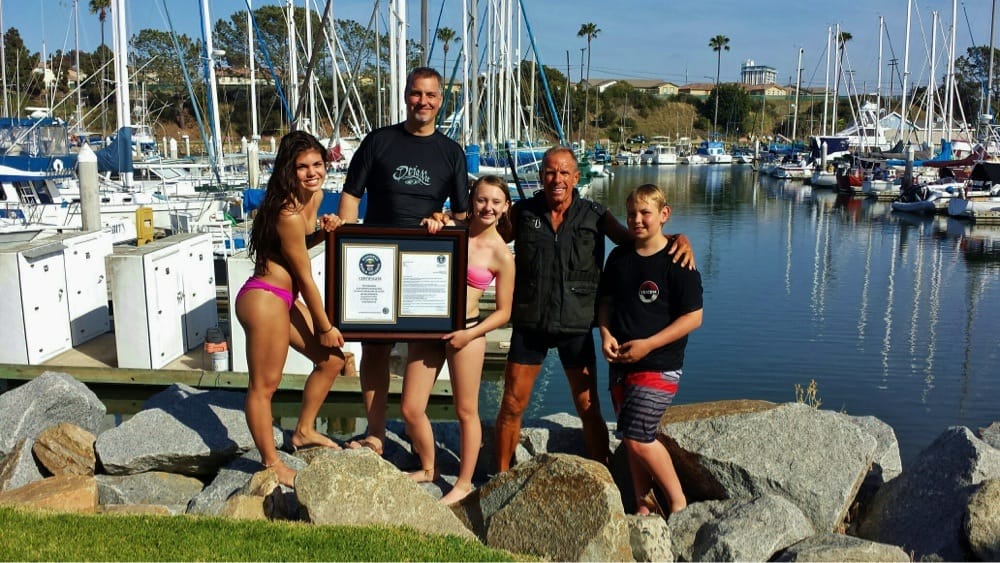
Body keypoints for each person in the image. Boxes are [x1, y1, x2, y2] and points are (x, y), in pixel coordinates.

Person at [493, 146, 694, 472]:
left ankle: (605, 477)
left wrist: (678, 238)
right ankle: (499, 476)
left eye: (563, 173)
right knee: (512, 405)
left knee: (588, 406)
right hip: (531, 323)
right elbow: (487, 237)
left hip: (576, 324)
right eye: (549, 172)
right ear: (541, 175)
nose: (556, 179)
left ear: (576, 177)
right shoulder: (524, 213)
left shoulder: (595, 214)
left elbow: (637, 240)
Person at [337, 67, 469, 455]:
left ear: (441, 100)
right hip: (375, 264)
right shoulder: (379, 141)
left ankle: (415, 423)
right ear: (406, 96)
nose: (422, 102)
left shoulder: (451, 153)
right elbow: (350, 197)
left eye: (430, 95)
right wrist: (346, 250)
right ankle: (376, 433)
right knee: (375, 351)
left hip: (424, 269)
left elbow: (462, 215)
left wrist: (444, 219)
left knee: (422, 347)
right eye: (416, 94)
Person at [235, 131, 347, 487]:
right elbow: (304, 274)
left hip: (281, 298)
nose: (312, 172)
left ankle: (303, 430)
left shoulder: (314, 198)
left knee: (332, 361)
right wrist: (325, 325)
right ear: (289, 169)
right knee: (265, 386)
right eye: (302, 167)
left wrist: (323, 232)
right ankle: (271, 463)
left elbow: (295, 247)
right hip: (265, 298)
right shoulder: (285, 210)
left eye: (317, 164)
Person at [402, 175, 515, 504]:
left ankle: (464, 483)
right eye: (481, 200)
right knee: (410, 408)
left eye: (496, 202)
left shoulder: (502, 256)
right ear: (471, 200)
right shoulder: (451, 229)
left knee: (466, 411)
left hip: (467, 332)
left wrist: (470, 334)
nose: (488, 207)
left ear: (506, 206)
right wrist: (432, 222)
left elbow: (504, 312)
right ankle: (428, 467)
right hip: (428, 327)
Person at [597, 183, 703, 516]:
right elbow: (606, 303)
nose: (637, 220)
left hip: (659, 363)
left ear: (664, 215)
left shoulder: (677, 259)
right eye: (631, 214)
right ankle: (643, 504)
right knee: (631, 437)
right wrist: (604, 334)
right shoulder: (619, 257)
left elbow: (693, 318)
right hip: (621, 362)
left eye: (645, 213)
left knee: (639, 437)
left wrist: (649, 345)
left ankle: (677, 502)